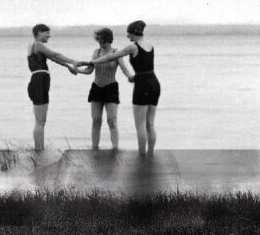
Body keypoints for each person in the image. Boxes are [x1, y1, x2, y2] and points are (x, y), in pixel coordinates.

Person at [80, 20, 160, 155]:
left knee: (132, 124)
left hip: (128, 85)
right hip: (153, 83)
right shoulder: (150, 46)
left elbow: (116, 60)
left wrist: (91, 62)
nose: (127, 37)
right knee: (149, 124)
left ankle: (134, 154)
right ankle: (149, 155)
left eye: (128, 34)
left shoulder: (130, 47)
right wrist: (79, 70)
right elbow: (144, 64)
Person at [76, 27, 134, 150]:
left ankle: (115, 149)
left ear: (108, 40)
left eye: (101, 40)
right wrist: (78, 71)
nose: (99, 42)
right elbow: (89, 70)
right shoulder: (96, 52)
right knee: (96, 121)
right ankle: (94, 148)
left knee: (112, 121)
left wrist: (131, 77)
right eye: (98, 39)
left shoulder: (115, 52)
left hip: (111, 87)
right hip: (96, 88)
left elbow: (124, 68)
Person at [27, 24, 80, 152]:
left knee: (40, 120)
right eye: (47, 33)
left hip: (37, 81)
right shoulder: (38, 44)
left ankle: (39, 148)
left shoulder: (34, 47)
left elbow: (53, 59)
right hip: (40, 83)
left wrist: (68, 67)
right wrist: (74, 61)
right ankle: (39, 150)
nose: (49, 35)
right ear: (39, 32)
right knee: (40, 121)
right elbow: (55, 54)